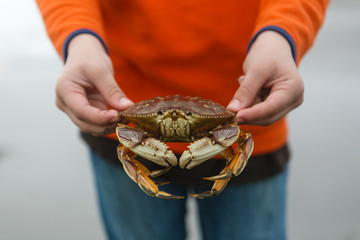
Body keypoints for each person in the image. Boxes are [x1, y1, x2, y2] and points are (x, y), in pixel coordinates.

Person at [36, 1, 329, 239]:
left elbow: (240, 136)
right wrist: (79, 39)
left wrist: (282, 34)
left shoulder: (233, 123)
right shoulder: (128, 125)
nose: (175, 121)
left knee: (242, 141)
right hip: (118, 100)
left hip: (251, 104)